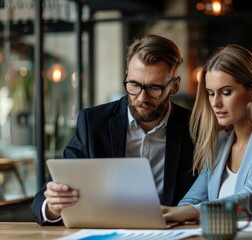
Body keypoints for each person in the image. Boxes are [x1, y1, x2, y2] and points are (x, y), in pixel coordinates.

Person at [32, 34, 196, 225]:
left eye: (154, 88)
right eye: (134, 85)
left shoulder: (194, 127)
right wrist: (52, 206)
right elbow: (40, 202)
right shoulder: (93, 123)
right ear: (127, 76)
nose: (142, 98)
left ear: (174, 86)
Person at [162, 44, 252, 223]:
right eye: (211, 93)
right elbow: (193, 201)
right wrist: (167, 215)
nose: (215, 103)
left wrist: (187, 213)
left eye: (226, 92)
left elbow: (248, 198)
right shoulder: (221, 142)